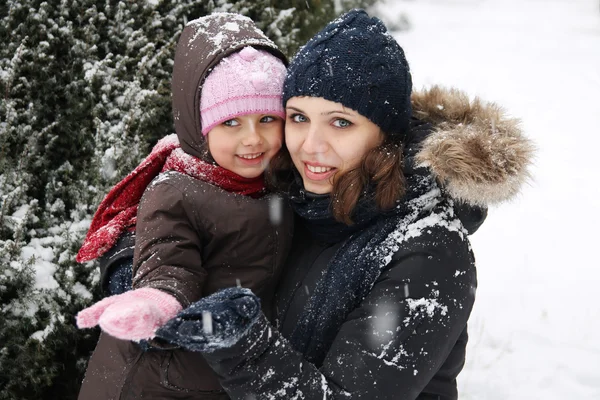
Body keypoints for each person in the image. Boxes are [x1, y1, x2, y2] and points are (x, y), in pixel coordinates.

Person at [153, 9, 534, 400]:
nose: (310, 145)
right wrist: (139, 260)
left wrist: (243, 346)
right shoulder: (292, 196)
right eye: (299, 117)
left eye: (340, 122)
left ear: (386, 134)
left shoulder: (430, 250)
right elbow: (192, 211)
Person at [74, 13, 294, 399]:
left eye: (266, 119)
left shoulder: (283, 183)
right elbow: (169, 262)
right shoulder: (176, 190)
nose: (253, 139)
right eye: (231, 123)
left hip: (222, 376)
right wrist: (158, 300)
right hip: (155, 382)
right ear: (199, 126)